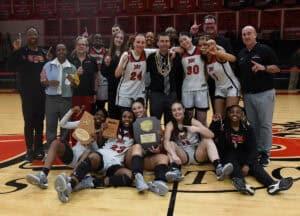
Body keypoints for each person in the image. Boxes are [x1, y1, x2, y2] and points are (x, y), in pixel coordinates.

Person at [209, 105, 294, 195]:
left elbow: (253, 149)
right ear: (228, 114)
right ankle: (242, 184)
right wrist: (214, 123)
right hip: (228, 155)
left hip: (243, 156)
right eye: (232, 112)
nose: (235, 114)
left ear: (242, 114)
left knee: (256, 166)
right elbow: (210, 135)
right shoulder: (222, 126)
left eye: (238, 112)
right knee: (231, 163)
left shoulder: (248, 128)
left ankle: (272, 184)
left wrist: (247, 165)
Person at [54, 110, 135, 203]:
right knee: (92, 156)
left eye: (130, 117)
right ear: (121, 118)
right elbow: (100, 143)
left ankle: (91, 182)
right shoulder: (113, 128)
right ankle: (70, 185)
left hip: (116, 161)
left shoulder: (135, 135)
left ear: (133, 119)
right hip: (104, 155)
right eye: (124, 116)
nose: (127, 119)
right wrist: (101, 131)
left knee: (129, 176)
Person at [25, 106, 107, 189]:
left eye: (102, 116)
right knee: (56, 143)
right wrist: (71, 111)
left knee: (88, 152)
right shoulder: (85, 123)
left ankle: (71, 180)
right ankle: (43, 175)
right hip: (72, 156)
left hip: (85, 163)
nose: (99, 117)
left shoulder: (106, 132)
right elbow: (62, 124)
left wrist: (94, 142)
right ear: (93, 115)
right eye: (97, 114)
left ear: (105, 119)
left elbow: (99, 155)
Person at [237, 26, 280, 167]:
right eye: (244, 34)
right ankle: (255, 151)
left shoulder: (265, 50)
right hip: (248, 96)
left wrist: (264, 68)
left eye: (249, 33)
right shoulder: (241, 53)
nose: (246, 36)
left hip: (264, 93)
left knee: (265, 124)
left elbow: (277, 68)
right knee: (253, 125)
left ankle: (265, 153)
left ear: (255, 35)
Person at [8, 27, 51, 161]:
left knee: (39, 122)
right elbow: (10, 67)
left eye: (35, 33)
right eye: (30, 34)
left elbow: (50, 72)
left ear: (38, 36)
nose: (32, 35)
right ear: (27, 37)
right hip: (27, 94)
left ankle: (38, 149)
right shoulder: (21, 52)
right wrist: (15, 50)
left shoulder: (44, 53)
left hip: (41, 94)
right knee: (29, 122)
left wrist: (50, 61)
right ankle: (29, 150)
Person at [125, 98, 182, 196]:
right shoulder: (129, 123)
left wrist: (158, 149)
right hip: (132, 158)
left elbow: (161, 141)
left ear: (144, 108)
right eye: (134, 109)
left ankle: (159, 182)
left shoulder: (154, 122)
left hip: (146, 158)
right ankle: (138, 178)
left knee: (163, 157)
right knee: (137, 146)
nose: (137, 110)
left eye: (139, 107)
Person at [164, 101, 233, 181]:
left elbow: (211, 135)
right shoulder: (170, 124)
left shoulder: (192, 121)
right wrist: (174, 155)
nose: (177, 112)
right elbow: (165, 142)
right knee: (170, 144)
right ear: (171, 113)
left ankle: (219, 167)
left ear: (183, 110)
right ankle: (175, 170)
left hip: (197, 153)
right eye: (174, 110)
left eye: (179, 109)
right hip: (182, 156)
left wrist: (198, 129)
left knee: (207, 140)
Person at [40, 43, 78, 151]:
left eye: (63, 50)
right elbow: (42, 81)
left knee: (65, 126)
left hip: (66, 99)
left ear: (67, 51)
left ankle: (63, 148)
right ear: (56, 52)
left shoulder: (72, 68)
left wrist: (72, 82)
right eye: (59, 50)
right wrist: (48, 82)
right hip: (51, 99)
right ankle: (50, 149)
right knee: (51, 124)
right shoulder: (48, 65)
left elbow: (76, 85)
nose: (61, 52)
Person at [199, 37, 240, 117]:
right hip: (219, 88)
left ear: (210, 45)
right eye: (200, 45)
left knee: (230, 116)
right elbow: (205, 77)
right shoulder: (205, 60)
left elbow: (233, 59)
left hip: (231, 86)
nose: (202, 47)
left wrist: (217, 52)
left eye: (205, 45)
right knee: (219, 117)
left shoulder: (218, 54)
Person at [147, 32, 182, 125]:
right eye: (162, 41)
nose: (164, 43)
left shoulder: (175, 57)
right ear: (157, 43)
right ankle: (157, 139)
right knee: (154, 121)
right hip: (156, 94)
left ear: (170, 43)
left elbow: (179, 76)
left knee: (171, 121)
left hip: (171, 94)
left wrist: (178, 95)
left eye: (166, 41)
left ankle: (168, 139)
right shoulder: (151, 58)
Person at [202, 15, 235, 113]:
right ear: (204, 26)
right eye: (207, 24)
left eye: (211, 23)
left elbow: (232, 60)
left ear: (216, 25)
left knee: (227, 111)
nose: (209, 26)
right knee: (214, 112)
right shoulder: (199, 41)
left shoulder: (225, 41)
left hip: (223, 81)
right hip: (207, 82)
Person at [114, 34, 155, 111]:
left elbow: (163, 50)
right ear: (134, 43)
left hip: (139, 93)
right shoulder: (127, 55)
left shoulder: (146, 53)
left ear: (145, 44)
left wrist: (174, 50)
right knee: (126, 119)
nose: (140, 44)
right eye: (138, 42)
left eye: (143, 42)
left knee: (140, 120)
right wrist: (122, 61)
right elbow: (116, 75)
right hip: (125, 93)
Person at [178, 32, 208, 126]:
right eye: (181, 41)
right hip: (187, 89)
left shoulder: (201, 50)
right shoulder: (181, 54)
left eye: (185, 39)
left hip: (201, 89)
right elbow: (182, 73)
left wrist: (204, 81)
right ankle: (191, 139)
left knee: (202, 120)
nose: (183, 42)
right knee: (188, 119)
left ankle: (204, 139)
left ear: (190, 38)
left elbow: (207, 69)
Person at [69, 36, 98, 115]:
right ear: (75, 46)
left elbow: (96, 78)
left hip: (89, 95)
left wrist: (95, 93)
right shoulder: (70, 60)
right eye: (79, 44)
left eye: (83, 44)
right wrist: (76, 74)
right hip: (74, 95)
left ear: (87, 47)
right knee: (75, 120)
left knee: (87, 122)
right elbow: (67, 79)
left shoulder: (92, 60)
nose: (81, 46)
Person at [102, 30, 127, 119]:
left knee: (123, 112)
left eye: (121, 38)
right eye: (117, 37)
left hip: (124, 88)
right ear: (113, 39)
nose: (119, 40)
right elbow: (103, 72)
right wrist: (107, 65)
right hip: (112, 88)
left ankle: (123, 132)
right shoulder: (107, 53)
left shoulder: (127, 53)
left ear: (123, 40)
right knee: (112, 113)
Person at [89, 34, 108, 113]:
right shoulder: (88, 50)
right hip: (92, 79)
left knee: (101, 105)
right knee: (91, 105)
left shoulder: (106, 51)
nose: (98, 40)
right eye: (96, 38)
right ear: (92, 41)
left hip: (103, 79)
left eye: (100, 38)